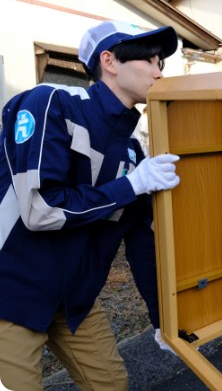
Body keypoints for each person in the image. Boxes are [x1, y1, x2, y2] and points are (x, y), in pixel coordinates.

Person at [0, 20, 182, 390]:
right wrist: (129, 186)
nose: (159, 71)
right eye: (149, 60)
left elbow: (142, 242)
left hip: (74, 301)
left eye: (161, 63)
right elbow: (41, 209)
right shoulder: (49, 102)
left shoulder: (133, 152)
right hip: (11, 292)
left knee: (112, 384)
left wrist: (163, 318)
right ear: (110, 61)